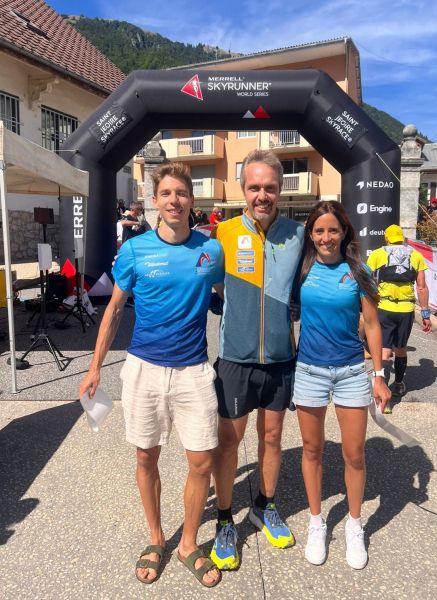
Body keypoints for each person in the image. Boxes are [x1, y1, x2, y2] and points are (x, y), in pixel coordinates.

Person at [79, 163, 224, 588]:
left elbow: (224, 297)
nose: (175, 200)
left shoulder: (211, 250)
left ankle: (188, 544)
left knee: (202, 460)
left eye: (182, 193)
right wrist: (94, 367)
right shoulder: (135, 250)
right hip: (144, 368)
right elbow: (114, 309)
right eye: (167, 193)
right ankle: (157, 538)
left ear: (191, 200)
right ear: (155, 201)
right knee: (146, 456)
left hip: (193, 370)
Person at [209, 150, 305, 570]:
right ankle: (224, 520)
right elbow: (208, 287)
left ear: (280, 189)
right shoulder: (224, 233)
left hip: (281, 359)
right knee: (229, 442)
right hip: (235, 358)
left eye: (269, 187)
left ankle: (265, 506)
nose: (262, 195)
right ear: (243, 190)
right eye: (254, 187)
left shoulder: (298, 234)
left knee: (272, 439)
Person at [292, 200, 391, 569]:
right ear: (310, 234)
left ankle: (354, 524)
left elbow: (373, 324)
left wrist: (379, 375)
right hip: (309, 371)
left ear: (344, 231)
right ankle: (316, 523)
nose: (326, 237)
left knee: (354, 454)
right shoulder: (301, 269)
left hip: (350, 372)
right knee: (312, 450)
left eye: (333, 230)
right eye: (319, 230)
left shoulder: (357, 270)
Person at [367, 224, 431, 412]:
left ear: (386, 239)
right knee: (401, 349)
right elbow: (421, 287)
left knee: (385, 351)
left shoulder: (377, 254)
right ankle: (399, 384)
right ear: (402, 238)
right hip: (406, 310)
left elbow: (366, 280)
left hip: (384, 307)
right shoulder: (416, 255)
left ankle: (384, 396)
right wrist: (425, 313)